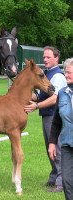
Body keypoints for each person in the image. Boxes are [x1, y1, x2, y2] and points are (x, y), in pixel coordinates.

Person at [24, 46, 67, 192]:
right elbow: (40, 96)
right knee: (50, 149)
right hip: (47, 116)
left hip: (55, 117)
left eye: (48, 57)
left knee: (57, 149)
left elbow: (55, 98)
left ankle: (61, 183)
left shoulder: (58, 76)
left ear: (56, 58)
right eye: (44, 57)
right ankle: (54, 177)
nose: (45, 59)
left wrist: (37, 106)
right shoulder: (47, 74)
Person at [48, 58, 73, 200]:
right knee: (67, 181)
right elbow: (56, 121)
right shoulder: (62, 93)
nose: (66, 75)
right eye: (65, 72)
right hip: (67, 145)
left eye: (69, 72)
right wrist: (52, 142)